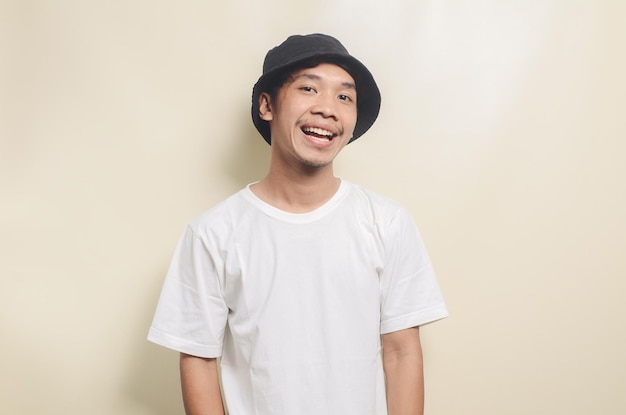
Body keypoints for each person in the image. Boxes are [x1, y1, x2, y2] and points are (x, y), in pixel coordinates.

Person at [148, 33, 448, 415]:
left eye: (344, 96)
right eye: (309, 88)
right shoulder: (213, 233)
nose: (328, 108)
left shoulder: (387, 222)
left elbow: (402, 351)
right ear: (267, 105)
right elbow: (198, 359)